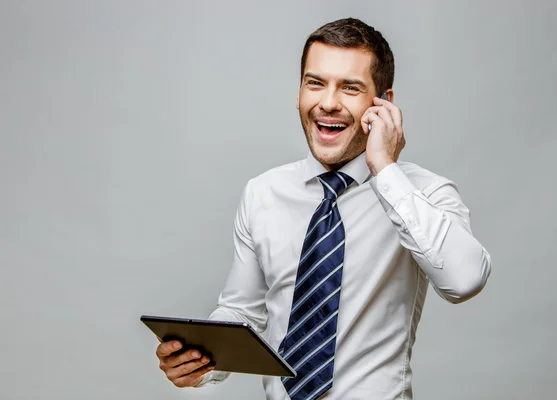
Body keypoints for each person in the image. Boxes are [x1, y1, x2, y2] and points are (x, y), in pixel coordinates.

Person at [155, 17, 491, 399]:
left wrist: (384, 168)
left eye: (350, 88)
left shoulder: (422, 193)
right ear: (299, 93)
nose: (328, 103)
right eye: (315, 83)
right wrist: (199, 361)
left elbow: (465, 280)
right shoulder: (263, 193)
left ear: (383, 104)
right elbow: (242, 313)